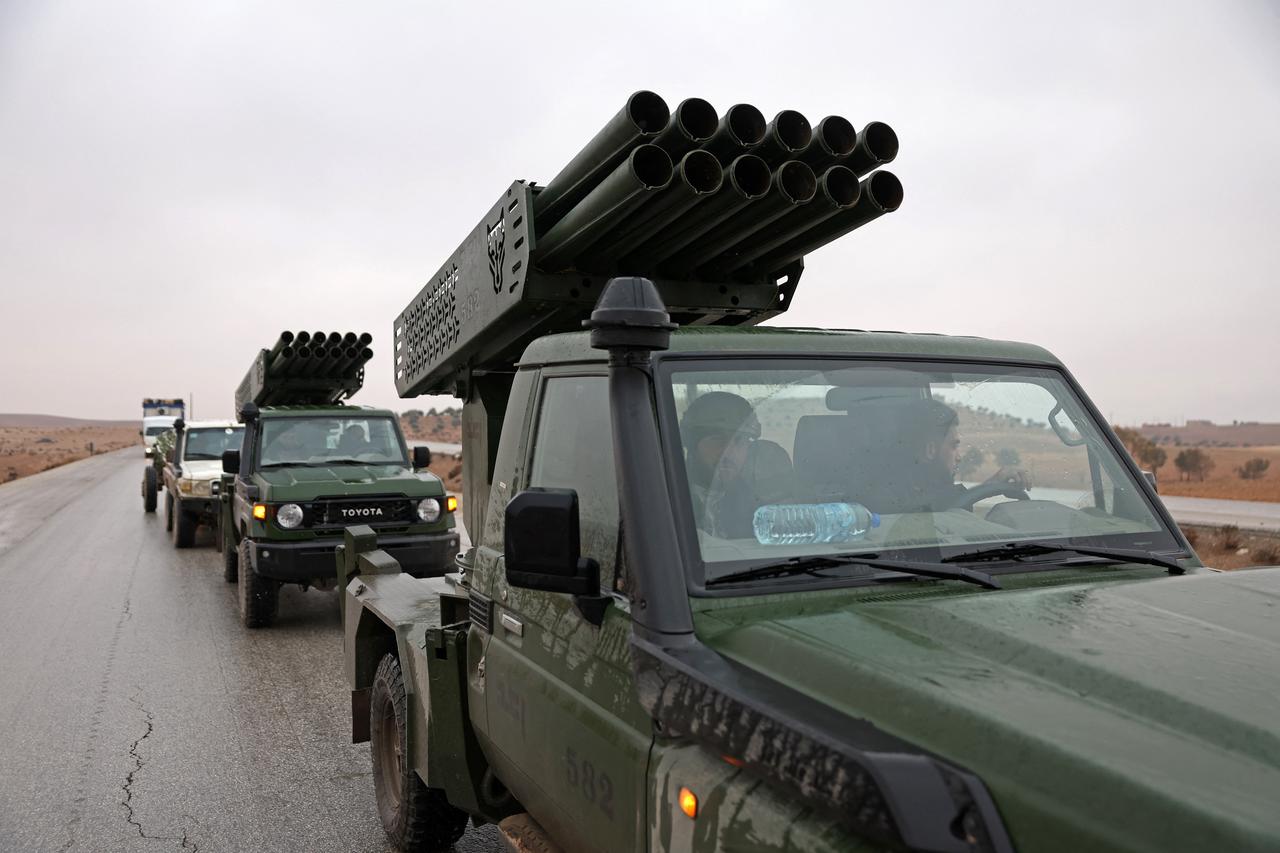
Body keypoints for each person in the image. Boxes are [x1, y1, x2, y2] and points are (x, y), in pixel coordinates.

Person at [680, 391, 793, 538]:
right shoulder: (666, 499)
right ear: (692, 443)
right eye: (717, 439)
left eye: (739, 441)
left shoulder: (759, 506)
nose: (728, 453)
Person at [902, 398, 1031, 511]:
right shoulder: (900, 502)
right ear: (930, 450)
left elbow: (944, 502)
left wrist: (990, 485)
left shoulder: (921, 494)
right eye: (954, 446)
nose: (959, 457)